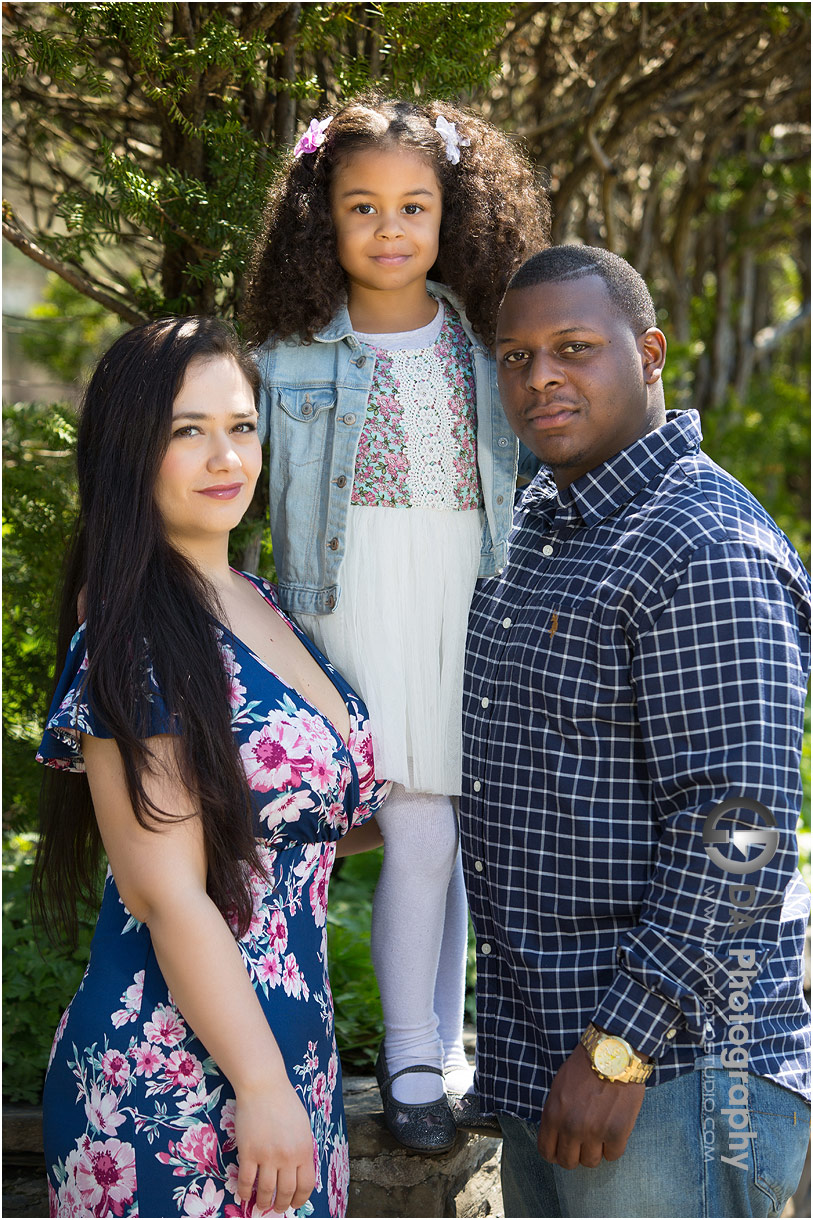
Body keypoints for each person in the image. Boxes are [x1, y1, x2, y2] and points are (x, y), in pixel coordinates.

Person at [459, 245, 811, 1217]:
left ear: (649, 352)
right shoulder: (538, 520)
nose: (542, 377)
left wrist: (620, 1044)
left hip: (674, 1077)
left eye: (575, 347)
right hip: (553, 1058)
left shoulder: (702, 545)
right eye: (517, 356)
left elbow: (737, 831)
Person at [242, 95, 548, 1151]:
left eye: (414, 206)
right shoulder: (286, 356)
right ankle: (412, 1058)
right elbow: (239, 493)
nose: (389, 229)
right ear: (321, 217)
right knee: (417, 827)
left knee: (453, 836)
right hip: (356, 598)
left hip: (467, 592)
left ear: (450, 215)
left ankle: (449, 1048)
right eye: (362, 205)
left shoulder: (483, 343)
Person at [32, 317, 390, 1219]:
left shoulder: (254, 597)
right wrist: (262, 1089)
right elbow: (168, 893)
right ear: (130, 453)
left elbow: (285, 831)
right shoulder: (133, 631)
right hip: (172, 1075)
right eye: (186, 431)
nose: (224, 455)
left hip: (291, 1056)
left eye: (240, 425)